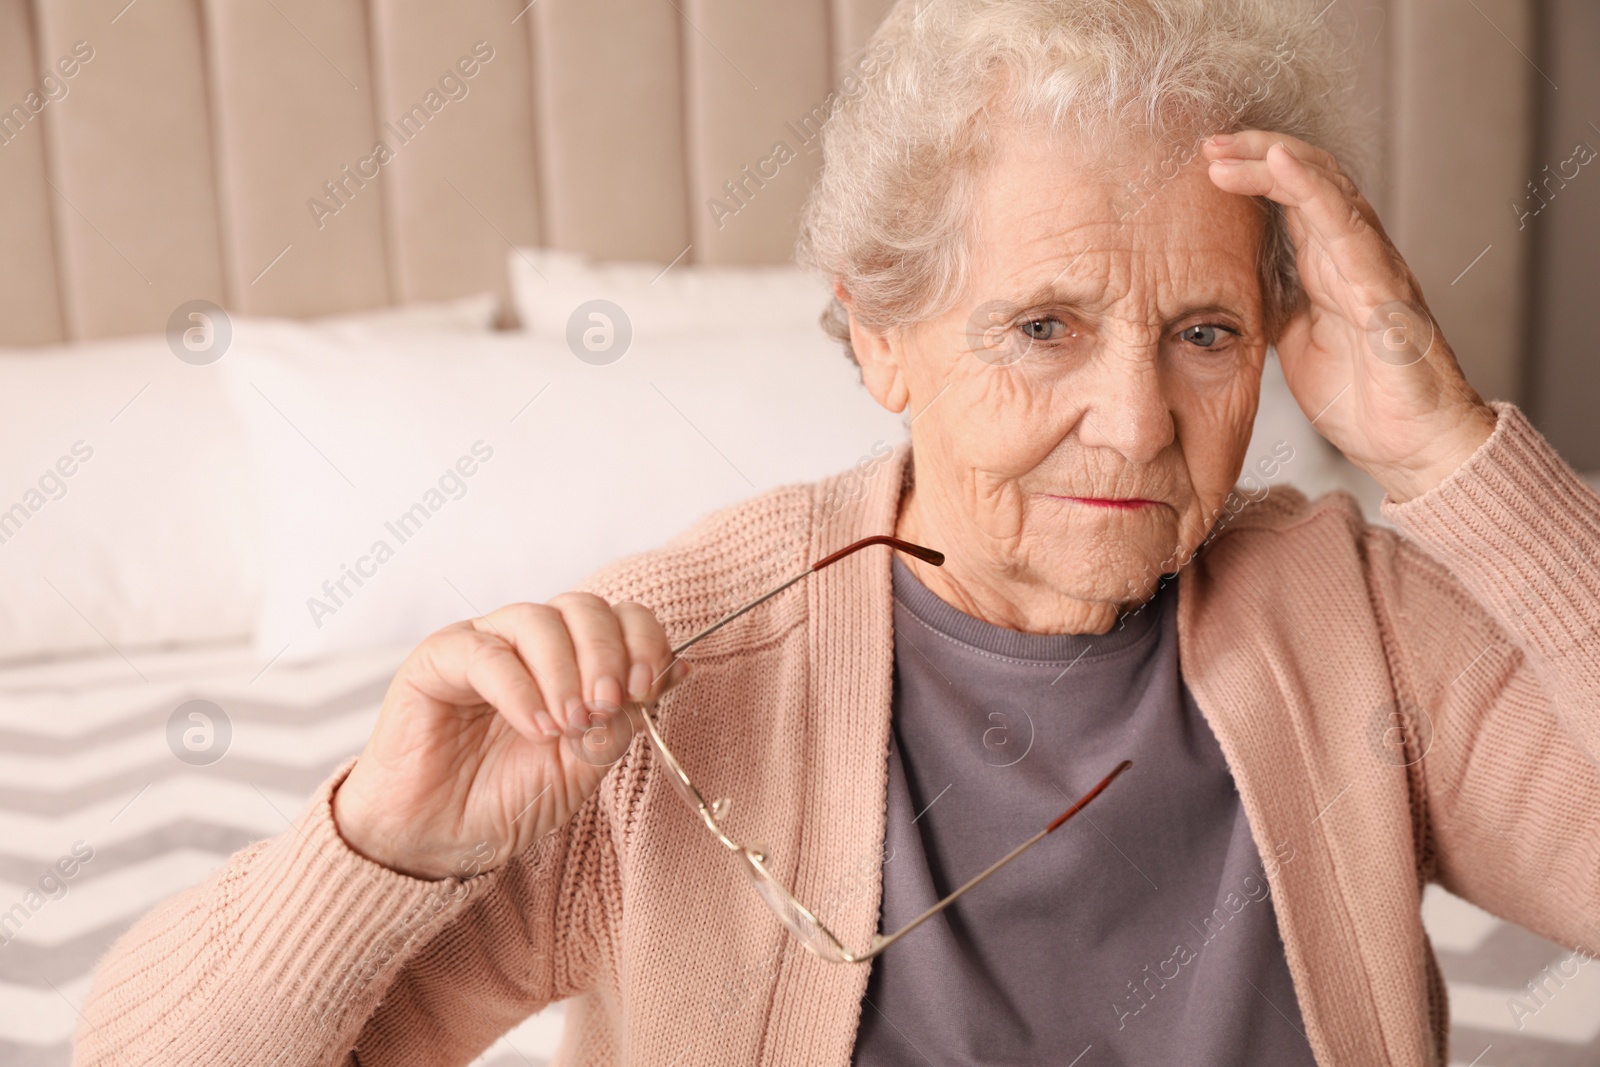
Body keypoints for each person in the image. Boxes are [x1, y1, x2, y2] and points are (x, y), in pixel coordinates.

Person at [74, 0, 1600, 1064]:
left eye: (1204, 332)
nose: (1139, 420)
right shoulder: (665, 676)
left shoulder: (1361, 619)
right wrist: (382, 847)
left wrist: (1450, 449)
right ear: (877, 340)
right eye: (1047, 324)